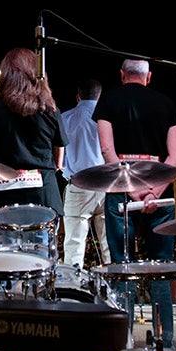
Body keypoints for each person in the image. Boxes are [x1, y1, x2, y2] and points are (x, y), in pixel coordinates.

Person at [92, 58, 176, 349]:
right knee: (161, 268)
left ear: (121, 75)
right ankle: (165, 340)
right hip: (161, 189)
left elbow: (107, 149)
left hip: (121, 191)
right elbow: (175, 156)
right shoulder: (167, 104)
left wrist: (132, 189)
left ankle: (123, 339)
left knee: (122, 267)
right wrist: (154, 192)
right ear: (149, 77)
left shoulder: (108, 100)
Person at [0, 47, 66, 220]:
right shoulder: (49, 109)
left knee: (5, 246)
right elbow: (58, 157)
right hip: (42, 194)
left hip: (1, 194)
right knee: (40, 246)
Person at [60, 78, 110, 269]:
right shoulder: (108, 117)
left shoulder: (65, 118)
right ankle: (118, 290)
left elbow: (60, 158)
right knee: (109, 245)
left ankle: (73, 292)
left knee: (74, 245)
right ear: (99, 96)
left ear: (77, 97)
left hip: (79, 185)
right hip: (107, 185)